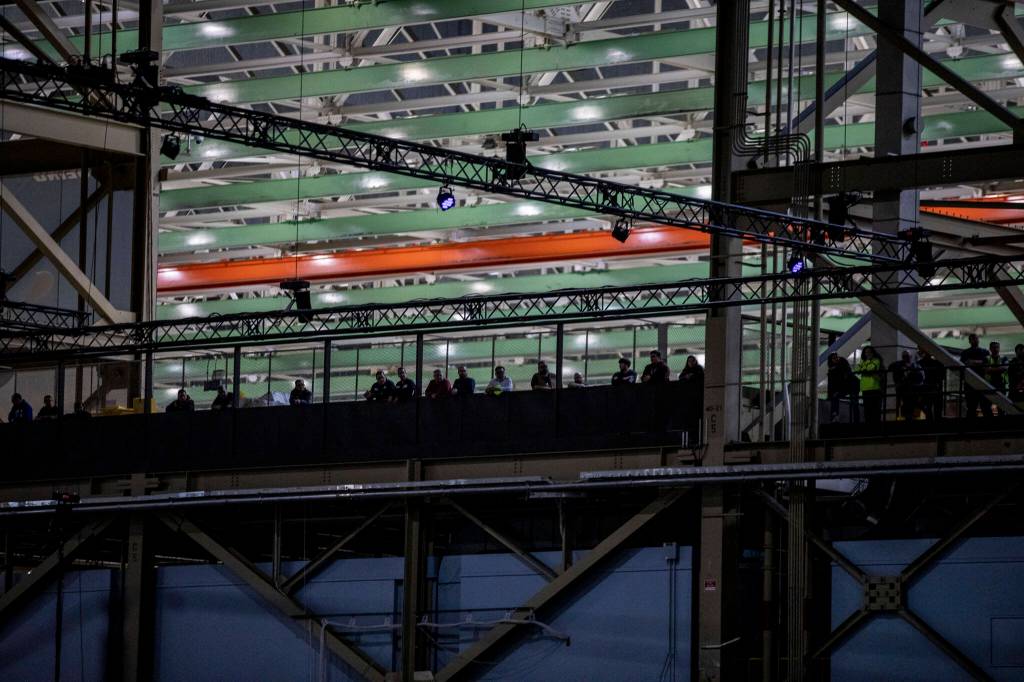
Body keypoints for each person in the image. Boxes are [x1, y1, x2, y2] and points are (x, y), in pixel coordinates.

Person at [959, 334, 990, 418]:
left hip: (973, 382)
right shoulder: (984, 352)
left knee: (980, 407)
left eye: (975, 339)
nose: (975, 341)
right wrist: (979, 362)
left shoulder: (965, 353)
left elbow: (987, 364)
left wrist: (973, 362)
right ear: (970, 341)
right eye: (973, 339)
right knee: (975, 407)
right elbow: (985, 363)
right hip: (976, 382)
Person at [892, 350, 924, 420]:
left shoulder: (916, 365)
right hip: (904, 390)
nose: (906, 358)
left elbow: (921, 377)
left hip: (914, 389)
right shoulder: (898, 365)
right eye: (904, 356)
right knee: (905, 406)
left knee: (914, 406)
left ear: (911, 356)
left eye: (907, 356)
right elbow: (896, 376)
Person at [856, 346, 883, 424]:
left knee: (875, 409)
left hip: (874, 388)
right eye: (866, 352)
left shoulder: (876, 360)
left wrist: (864, 368)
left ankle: (876, 425)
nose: (868, 353)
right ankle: (868, 424)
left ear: (873, 352)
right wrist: (865, 368)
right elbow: (857, 370)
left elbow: (870, 368)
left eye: (869, 352)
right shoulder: (863, 361)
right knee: (867, 409)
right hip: (865, 389)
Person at [827, 353, 856, 422]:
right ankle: (835, 415)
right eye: (834, 358)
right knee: (834, 397)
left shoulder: (842, 365)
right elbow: (832, 383)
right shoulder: (832, 370)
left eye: (836, 357)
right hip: (843, 388)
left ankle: (835, 415)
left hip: (849, 387)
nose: (836, 359)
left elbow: (843, 380)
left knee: (836, 397)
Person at [916, 348, 945, 420]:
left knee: (928, 409)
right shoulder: (937, 363)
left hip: (927, 389)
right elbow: (942, 375)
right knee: (937, 409)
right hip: (935, 388)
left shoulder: (920, 363)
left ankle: (930, 423)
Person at [985, 341, 1009, 416]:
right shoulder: (987, 358)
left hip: (1001, 385)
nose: (996, 349)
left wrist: (991, 369)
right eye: (994, 347)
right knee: (987, 405)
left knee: (1001, 407)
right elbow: (986, 370)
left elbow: (1005, 368)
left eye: (997, 347)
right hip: (989, 385)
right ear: (990, 349)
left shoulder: (1004, 357)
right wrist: (999, 369)